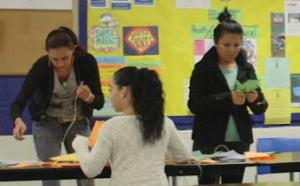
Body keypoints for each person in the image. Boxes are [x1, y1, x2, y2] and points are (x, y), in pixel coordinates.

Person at [10, 26, 104, 186]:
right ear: (47, 54)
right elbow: (18, 102)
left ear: (74, 50)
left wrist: (88, 97)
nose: (60, 64)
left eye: (65, 58)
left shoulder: (86, 62)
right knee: (50, 174)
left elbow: (100, 102)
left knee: (86, 172)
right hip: (47, 123)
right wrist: (18, 120)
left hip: (77, 121)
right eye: (54, 59)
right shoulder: (41, 66)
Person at [188, 8, 268, 184]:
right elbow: (194, 104)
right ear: (216, 43)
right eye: (226, 45)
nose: (232, 50)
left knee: (233, 183)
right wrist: (227, 98)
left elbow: (261, 107)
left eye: (237, 45)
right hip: (208, 140)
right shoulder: (203, 68)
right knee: (208, 182)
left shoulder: (246, 68)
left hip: (239, 141)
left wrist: (255, 100)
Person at [72, 66, 190, 186]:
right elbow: (183, 156)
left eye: (111, 89)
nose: (110, 95)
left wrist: (80, 144)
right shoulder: (164, 123)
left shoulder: (111, 126)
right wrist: (156, 152)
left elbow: (91, 169)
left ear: (124, 91)